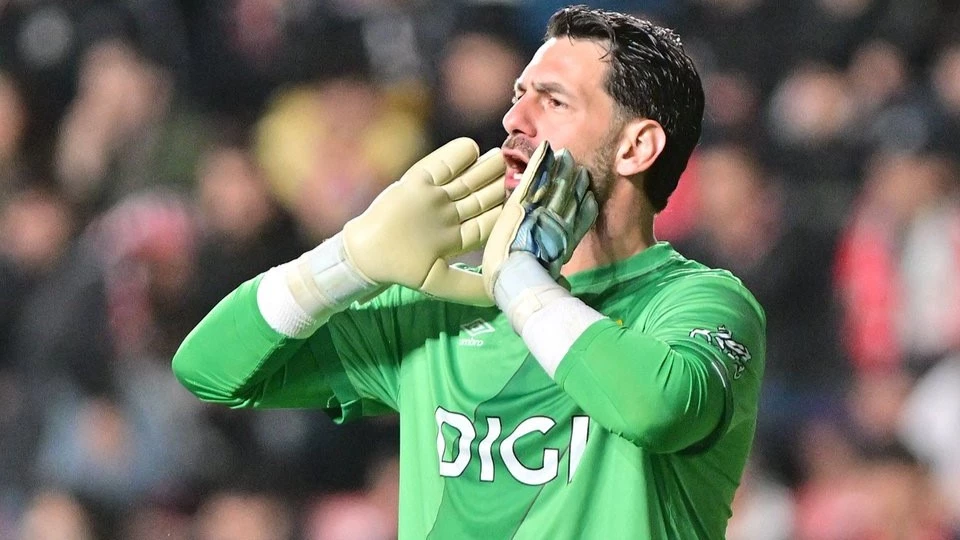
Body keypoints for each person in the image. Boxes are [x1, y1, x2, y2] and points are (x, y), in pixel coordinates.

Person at [173, 6, 766, 539]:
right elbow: (210, 371)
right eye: (519, 94)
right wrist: (344, 263)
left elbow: (654, 408)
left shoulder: (700, 303)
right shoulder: (449, 299)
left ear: (636, 148)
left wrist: (521, 280)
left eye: (553, 101)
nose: (514, 117)